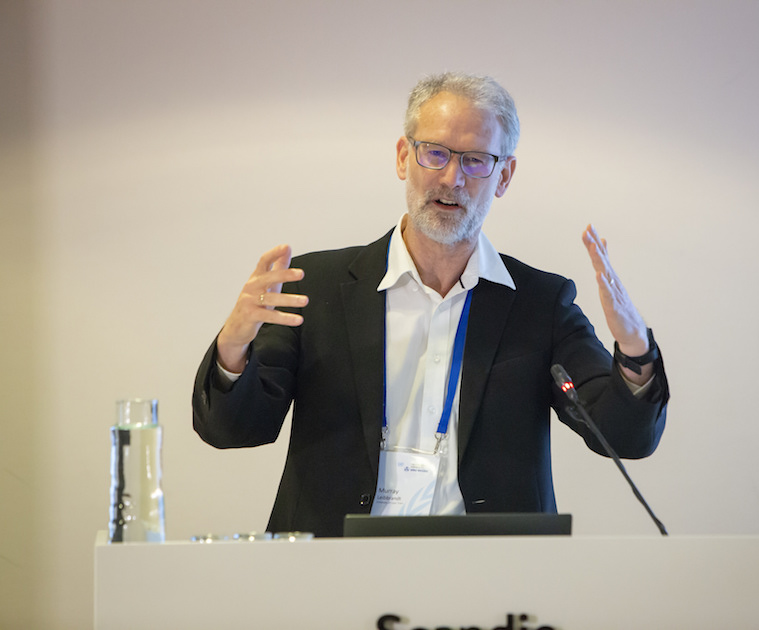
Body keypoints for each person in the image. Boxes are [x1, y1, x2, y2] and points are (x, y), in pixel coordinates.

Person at [193, 72, 669, 537]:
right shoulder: (317, 286)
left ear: (504, 175)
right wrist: (233, 348)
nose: (451, 178)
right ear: (404, 157)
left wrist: (633, 348)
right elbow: (235, 429)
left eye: (476, 160)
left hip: (491, 577)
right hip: (332, 570)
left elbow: (625, 436)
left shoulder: (540, 303)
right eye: (435, 153)